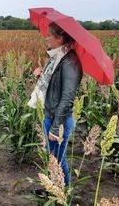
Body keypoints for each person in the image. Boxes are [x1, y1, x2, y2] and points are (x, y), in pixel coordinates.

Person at [28, 22, 82, 186]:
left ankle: (62, 193)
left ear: (59, 38)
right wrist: (40, 77)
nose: (46, 38)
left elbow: (67, 98)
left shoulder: (70, 63)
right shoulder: (58, 58)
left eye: (49, 35)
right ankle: (53, 189)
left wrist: (55, 126)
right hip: (50, 115)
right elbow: (54, 87)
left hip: (59, 120)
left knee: (59, 159)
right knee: (52, 156)